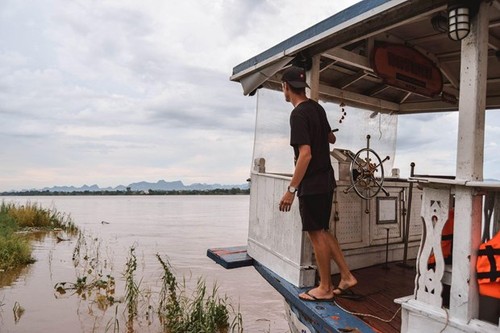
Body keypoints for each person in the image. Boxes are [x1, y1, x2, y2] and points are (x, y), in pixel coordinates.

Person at [278, 66, 357, 301]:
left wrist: (291, 190)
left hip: (312, 183)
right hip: (326, 179)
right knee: (323, 230)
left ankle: (325, 288)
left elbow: (305, 155)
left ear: (285, 87)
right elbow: (331, 138)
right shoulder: (316, 108)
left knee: (316, 234)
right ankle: (346, 276)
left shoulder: (298, 114)